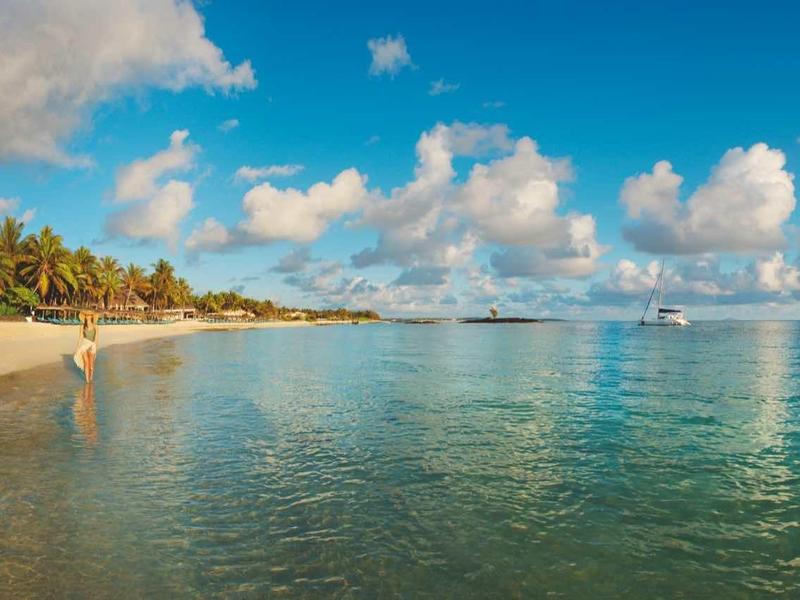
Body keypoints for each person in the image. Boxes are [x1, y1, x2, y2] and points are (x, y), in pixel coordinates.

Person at [74, 311, 99, 383]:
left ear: (92, 316)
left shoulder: (95, 326)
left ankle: (91, 378)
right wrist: (77, 348)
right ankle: (87, 381)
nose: (87, 317)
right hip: (84, 344)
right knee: (86, 363)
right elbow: (80, 337)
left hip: (92, 345)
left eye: (89, 315)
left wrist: (95, 348)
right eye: (86, 315)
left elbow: (96, 338)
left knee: (91, 365)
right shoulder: (82, 326)